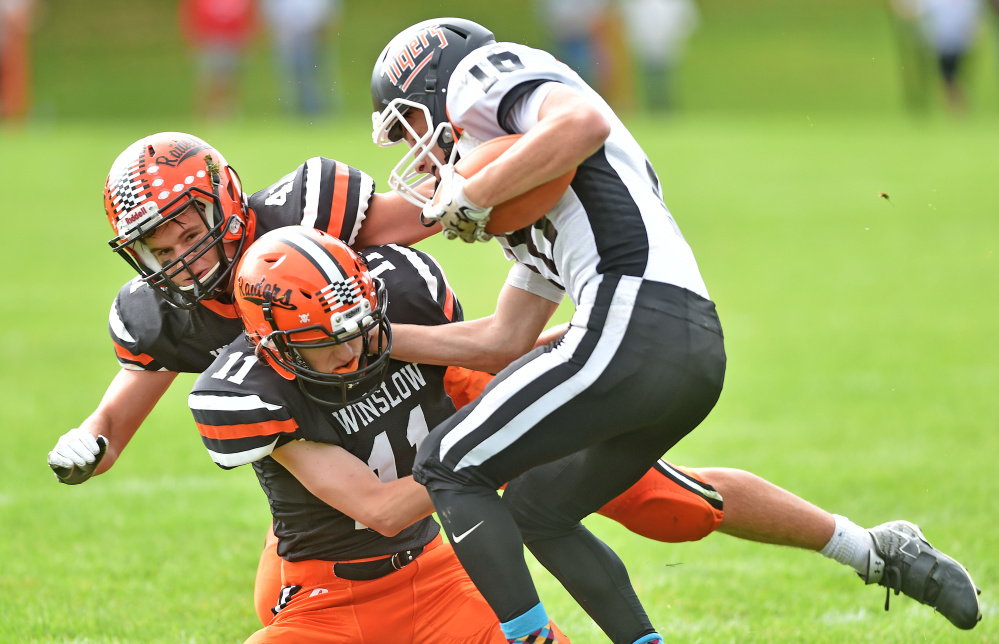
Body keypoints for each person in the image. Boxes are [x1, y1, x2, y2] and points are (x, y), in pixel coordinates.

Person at [49, 133, 980, 632]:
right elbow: (129, 398)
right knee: (311, 585)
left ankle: (870, 549)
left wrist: (522, 328)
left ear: (223, 197)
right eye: (157, 248)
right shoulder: (168, 320)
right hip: (338, 450)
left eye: (183, 232)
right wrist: (91, 440)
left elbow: (440, 220)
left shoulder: (320, 212)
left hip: (419, 374)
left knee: (656, 498)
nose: (177, 258)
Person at [370, 18, 982, 642]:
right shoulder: (532, 185)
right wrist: (382, 340)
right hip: (687, 346)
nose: (411, 147)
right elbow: (503, 339)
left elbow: (582, 124)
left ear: (431, 86)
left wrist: (471, 188)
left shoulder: (481, 78)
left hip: (631, 321)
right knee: (538, 508)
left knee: (445, 466)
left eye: (407, 124)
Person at [189, 226, 572, 643]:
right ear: (276, 345)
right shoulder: (257, 392)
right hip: (326, 599)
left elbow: (497, 355)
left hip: (435, 573)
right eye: (323, 340)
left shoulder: (393, 318)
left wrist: (584, 340)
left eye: (357, 328)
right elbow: (382, 511)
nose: (349, 351)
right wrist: (501, 454)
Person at [178, 0, 257, 120]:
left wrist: (248, 38)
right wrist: (193, 39)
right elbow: (187, 16)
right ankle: (206, 115)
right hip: (208, 41)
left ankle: (229, 112)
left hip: (234, 41)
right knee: (209, 80)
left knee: (231, 80)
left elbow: (252, 17)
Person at [260, 0, 341, 116]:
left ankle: (319, 111)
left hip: (314, 34)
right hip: (288, 34)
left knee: (316, 74)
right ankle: (298, 111)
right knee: (291, 75)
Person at [619, 0, 699, 112]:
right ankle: (654, 107)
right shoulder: (639, 4)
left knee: (666, 78)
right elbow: (630, 22)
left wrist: (677, 37)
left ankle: (666, 107)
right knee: (651, 78)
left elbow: (688, 22)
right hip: (647, 46)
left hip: (669, 46)